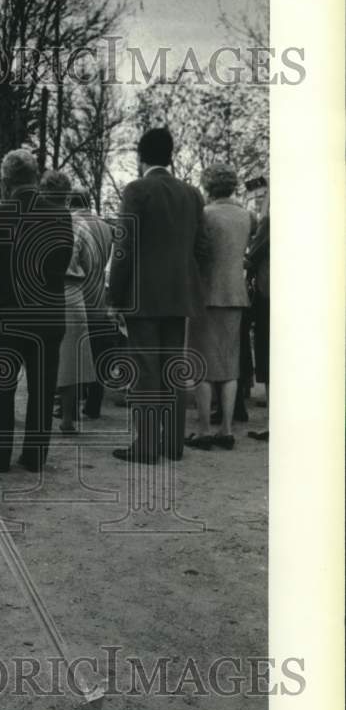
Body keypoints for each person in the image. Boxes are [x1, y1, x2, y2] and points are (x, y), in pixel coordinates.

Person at [108, 127, 209, 464]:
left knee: (145, 371)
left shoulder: (137, 190)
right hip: (179, 296)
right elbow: (203, 248)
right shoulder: (192, 195)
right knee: (171, 370)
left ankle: (147, 447)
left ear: (141, 157)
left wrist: (114, 297)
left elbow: (123, 247)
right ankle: (172, 445)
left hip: (143, 297)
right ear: (171, 154)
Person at [0, 149, 73, 473]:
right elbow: (62, 263)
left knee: (1, 387)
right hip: (47, 312)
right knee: (43, 388)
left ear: (5, 180)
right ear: (36, 177)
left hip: (6, 313)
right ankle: (35, 456)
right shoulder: (60, 216)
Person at [186, 163, 256, 450]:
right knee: (229, 365)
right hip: (235, 295)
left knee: (202, 364)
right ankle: (226, 429)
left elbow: (198, 251)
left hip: (206, 294)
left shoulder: (204, 215)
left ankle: (203, 429)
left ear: (208, 186)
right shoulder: (247, 216)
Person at [40, 171, 95, 433]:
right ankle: (68, 419)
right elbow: (90, 263)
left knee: (44, 356)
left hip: (42, 292)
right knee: (72, 359)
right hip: (73, 293)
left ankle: (40, 415)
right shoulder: (78, 226)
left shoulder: (36, 221)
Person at [74, 192, 115, 420]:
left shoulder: (72, 224)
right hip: (99, 295)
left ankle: (74, 399)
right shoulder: (106, 227)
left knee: (76, 351)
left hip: (78, 296)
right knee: (98, 352)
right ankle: (94, 403)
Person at [246, 191, 270, 442]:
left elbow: (251, 258)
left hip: (269, 295)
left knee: (267, 357)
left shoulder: (269, 223)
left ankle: (272, 423)